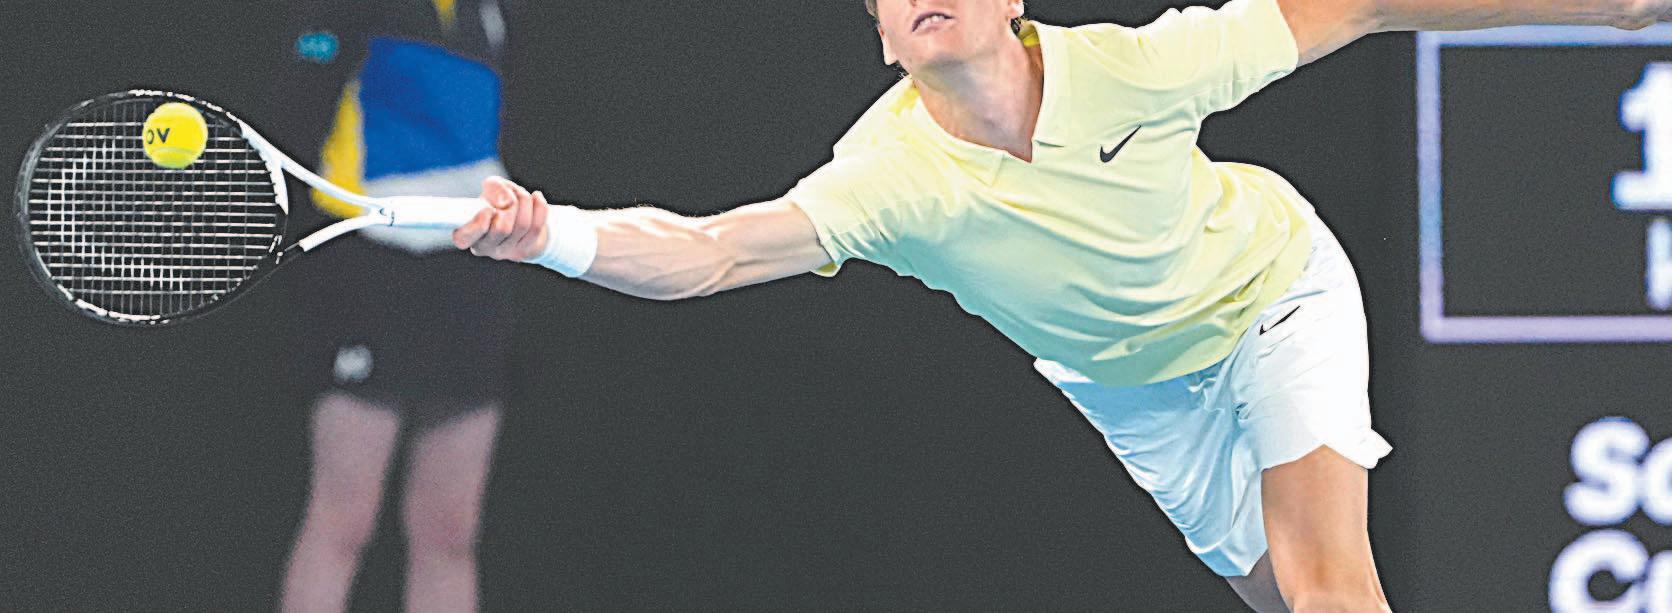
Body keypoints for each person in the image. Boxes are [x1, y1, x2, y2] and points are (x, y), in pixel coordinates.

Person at [453, 0, 1672, 610]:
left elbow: (1360, 3)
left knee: (1326, 586)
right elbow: (710, 253)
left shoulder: (1140, 68)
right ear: (884, 42)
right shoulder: (890, 178)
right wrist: (551, 235)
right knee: (1282, 599)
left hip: (1271, 294)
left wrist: (1610, 6)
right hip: (1139, 396)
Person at [280, 1, 514, 611]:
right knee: (344, 520)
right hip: (371, 263)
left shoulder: (489, 12)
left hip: (469, 270)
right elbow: (300, 92)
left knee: (450, 532)